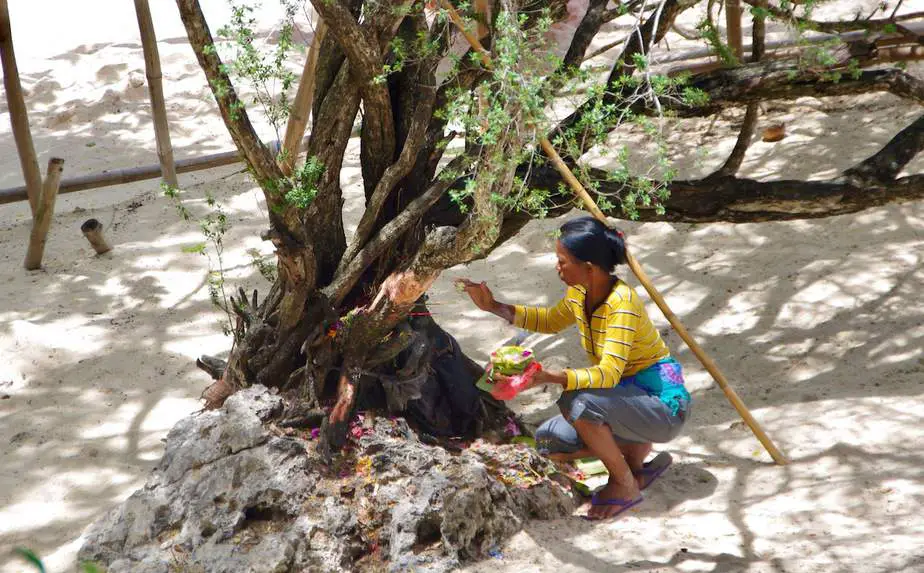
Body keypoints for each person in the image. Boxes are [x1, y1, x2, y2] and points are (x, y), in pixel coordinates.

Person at [458, 216, 691, 520]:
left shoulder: (621, 304)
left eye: (563, 261)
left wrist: (546, 376)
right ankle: (635, 466)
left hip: (663, 407)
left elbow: (608, 374)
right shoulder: (581, 292)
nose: (558, 267)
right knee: (549, 439)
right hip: (626, 400)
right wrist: (493, 306)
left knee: (577, 401)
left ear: (590, 268)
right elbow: (550, 321)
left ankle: (625, 483)